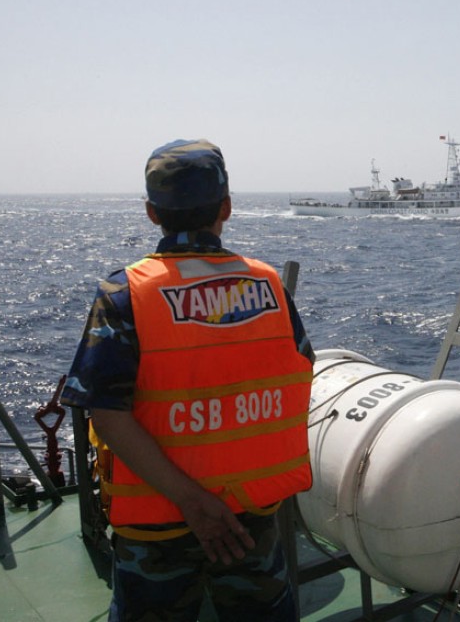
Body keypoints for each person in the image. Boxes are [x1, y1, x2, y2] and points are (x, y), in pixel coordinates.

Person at [61, 139, 316, 622]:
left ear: (151, 212)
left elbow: (107, 412)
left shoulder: (124, 295)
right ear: (226, 207)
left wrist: (192, 502)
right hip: (251, 517)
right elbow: (298, 368)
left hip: (158, 531)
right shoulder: (270, 286)